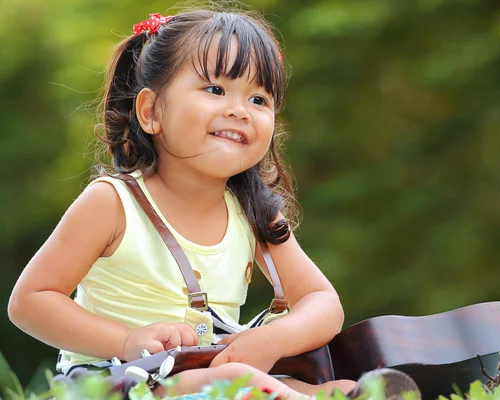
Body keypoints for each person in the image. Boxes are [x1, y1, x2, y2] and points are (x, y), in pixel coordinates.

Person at [7, 7, 372, 399]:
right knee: (242, 383)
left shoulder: (253, 211)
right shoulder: (114, 202)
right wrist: (128, 339)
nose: (239, 110)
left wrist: (273, 341)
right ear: (151, 111)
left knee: (337, 385)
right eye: (215, 90)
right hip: (116, 378)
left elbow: (323, 303)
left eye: (259, 99)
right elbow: (30, 301)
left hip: (204, 373)